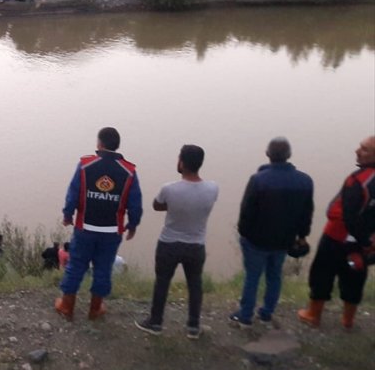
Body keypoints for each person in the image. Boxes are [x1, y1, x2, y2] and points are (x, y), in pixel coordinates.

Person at [56, 127, 142, 321]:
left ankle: (66, 306)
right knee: (103, 268)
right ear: (117, 145)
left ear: (99, 144)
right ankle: (95, 308)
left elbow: (73, 193)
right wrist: (133, 224)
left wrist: (68, 215)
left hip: (85, 227)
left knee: (76, 265)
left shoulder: (85, 165)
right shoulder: (129, 171)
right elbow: (135, 203)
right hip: (112, 231)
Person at [135, 145, 218, 339]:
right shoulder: (213, 188)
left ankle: (155, 322)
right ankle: (193, 326)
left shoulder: (169, 189)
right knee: (195, 284)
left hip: (169, 244)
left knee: (162, 282)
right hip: (196, 245)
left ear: (181, 162)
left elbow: (157, 206)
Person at [229, 137, 313, 328]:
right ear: (289, 155)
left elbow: (246, 212)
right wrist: (302, 236)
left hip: (256, 241)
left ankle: (246, 315)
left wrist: (244, 234)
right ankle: (267, 312)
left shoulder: (259, 180)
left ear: (268, 154)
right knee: (275, 276)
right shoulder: (305, 181)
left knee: (252, 277)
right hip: (284, 241)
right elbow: (307, 212)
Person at [298, 136, 375, 329]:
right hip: (364, 244)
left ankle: (313, 315)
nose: (357, 151)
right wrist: (368, 243)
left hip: (337, 237)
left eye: (364, 149)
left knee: (322, 274)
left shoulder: (357, 180)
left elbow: (349, 216)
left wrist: (364, 241)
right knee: (355, 277)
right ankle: (347, 320)